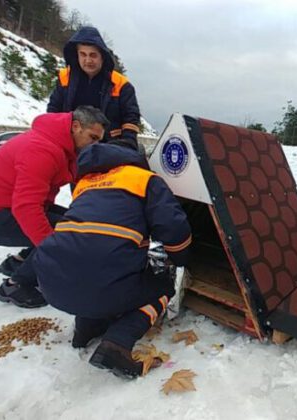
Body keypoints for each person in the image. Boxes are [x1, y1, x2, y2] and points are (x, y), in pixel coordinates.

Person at [33, 143, 192, 379]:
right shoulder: (145, 179)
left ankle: (86, 328)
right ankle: (117, 344)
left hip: (52, 283)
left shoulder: (85, 184)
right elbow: (173, 226)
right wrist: (180, 257)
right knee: (162, 288)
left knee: (91, 270)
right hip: (101, 282)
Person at [0, 106, 109, 308]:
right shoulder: (42, 150)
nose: (95, 144)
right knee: (69, 234)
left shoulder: (60, 145)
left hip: (2, 208)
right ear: (76, 127)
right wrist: (52, 249)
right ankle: (15, 285)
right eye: (93, 138)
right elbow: (27, 208)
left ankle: (18, 262)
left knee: (75, 220)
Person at [47, 26, 141, 151]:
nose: (88, 60)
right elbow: (53, 111)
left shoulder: (121, 84)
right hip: (69, 145)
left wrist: (127, 145)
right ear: (77, 55)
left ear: (102, 56)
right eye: (83, 54)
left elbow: (131, 118)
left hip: (108, 147)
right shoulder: (65, 78)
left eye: (93, 55)